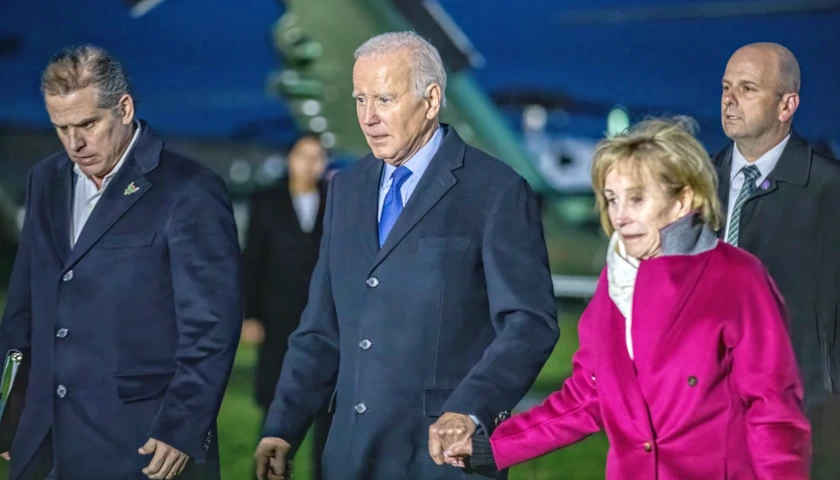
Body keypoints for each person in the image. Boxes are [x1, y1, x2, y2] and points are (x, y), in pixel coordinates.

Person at [254, 31, 559, 480]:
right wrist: (281, 427)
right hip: (347, 458)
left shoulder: (496, 191)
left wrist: (470, 410)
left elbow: (529, 325)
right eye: (360, 99)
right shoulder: (346, 189)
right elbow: (321, 327)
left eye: (384, 99)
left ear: (431, 99)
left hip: (441, 460)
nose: (368, 117)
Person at [444, 118, 811, 479]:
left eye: (636, 199)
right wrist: (491, 448)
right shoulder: (615, 282)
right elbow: (586, 398)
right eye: (612, 199)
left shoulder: (738, 278)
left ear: (684, 199)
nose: (619, 216)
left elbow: (773, 413)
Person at [0, 44, 242, 480]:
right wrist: (6, 407)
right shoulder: (45, 179)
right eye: (61, 128)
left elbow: (212, 325)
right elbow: (24, 305)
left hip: (143, 446)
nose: (75, 143)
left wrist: (183, 427)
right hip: (42, 443)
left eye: (88, 124)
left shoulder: (190, 190)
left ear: (125, 108)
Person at [713, 42, 840, 477]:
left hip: (802, 415)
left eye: (747, 88)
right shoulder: (693, 185)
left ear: (788, 105)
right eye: (726, 87)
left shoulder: (830, 192)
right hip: (703, 413)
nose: (730, 99)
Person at [241, 133, 330, 479]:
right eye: (304, 155)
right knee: (276, 403)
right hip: (277, 317)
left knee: (327, 409)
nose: (311, 163)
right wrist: (250, 314)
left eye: (318, 156)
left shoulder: (334, 199)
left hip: (323, 319)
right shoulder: (267, 200)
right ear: (290, 158)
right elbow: (252, 260)